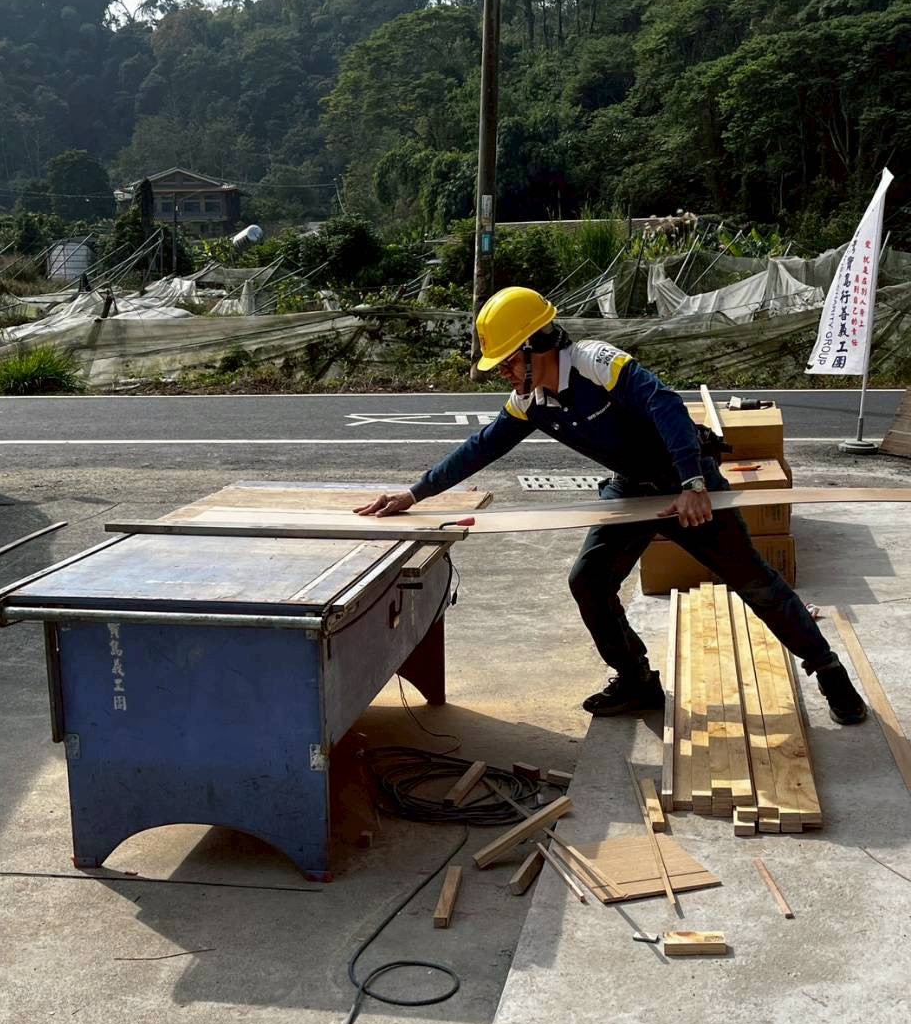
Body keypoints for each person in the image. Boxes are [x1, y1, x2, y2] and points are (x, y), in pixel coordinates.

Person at [355, 285, 866, 725]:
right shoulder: (532, 400)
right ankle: (636, 679)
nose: (504, 373)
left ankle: (829, 672)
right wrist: (414, 493)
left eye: (508, 361)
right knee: (589, 581)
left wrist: (693, 482)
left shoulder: (596, 363)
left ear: (536, 346)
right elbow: (481, 447)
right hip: (632, 489)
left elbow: (665, 404)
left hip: (686, 482)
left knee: (754, 581)